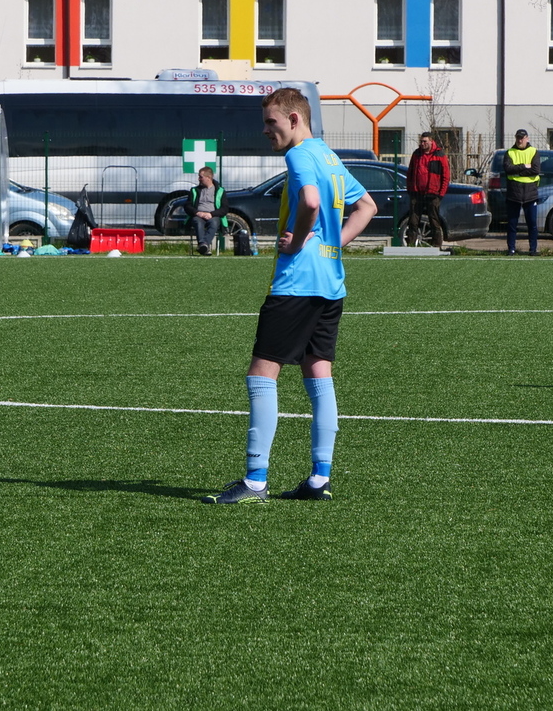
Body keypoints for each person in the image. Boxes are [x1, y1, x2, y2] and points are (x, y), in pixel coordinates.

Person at [202, 87, 377, 504]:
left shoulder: (299, 156)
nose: (266, 130)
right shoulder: (329, 157)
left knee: (262, 374)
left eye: (271, 122)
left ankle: (255, 481)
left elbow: (311, 202)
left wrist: (298, 242)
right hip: (330, 284)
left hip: (297, 284)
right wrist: (331, 245)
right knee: (319, 375)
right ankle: (319, 479)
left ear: (294, 119)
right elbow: (367, 206)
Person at [405, 131, 449, 245]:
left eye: (425, 141)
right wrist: (410, 189)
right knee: (413, 221)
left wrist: (440, 194)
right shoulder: (416, 154)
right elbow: (410, 173)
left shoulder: (439, 155)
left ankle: (436, 245)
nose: (422, 144)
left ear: (431, 141)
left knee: (434, 221)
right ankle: (410, 245)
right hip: (417, 193)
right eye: (421, 141)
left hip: (433, 193)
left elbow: (445, 176)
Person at [503, 128, 540, 255]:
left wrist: (517, 171)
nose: (520, 140)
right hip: (514, 194)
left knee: (532, 224)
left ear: (527, 138)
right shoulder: (510, 152)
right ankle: (511, 249)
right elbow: (508, 169)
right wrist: (524, 166)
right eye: (518, 138)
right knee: (512, 224)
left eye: (522, 138)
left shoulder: (534, 151)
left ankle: (533, 249)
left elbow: (535, 170)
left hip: (530, 194)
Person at [188, 165, 227, 255]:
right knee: (198, 222)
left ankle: (203, 245)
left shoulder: (220, 191)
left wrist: (211, 214)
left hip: (213, 215)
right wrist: (197, 213)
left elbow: (224, 208)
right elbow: (187, 206)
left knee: (214, 223)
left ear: (208, 178)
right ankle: (204, 246)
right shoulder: (194, 190)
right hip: (198, 215)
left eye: (201, 177)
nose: (199, 179)